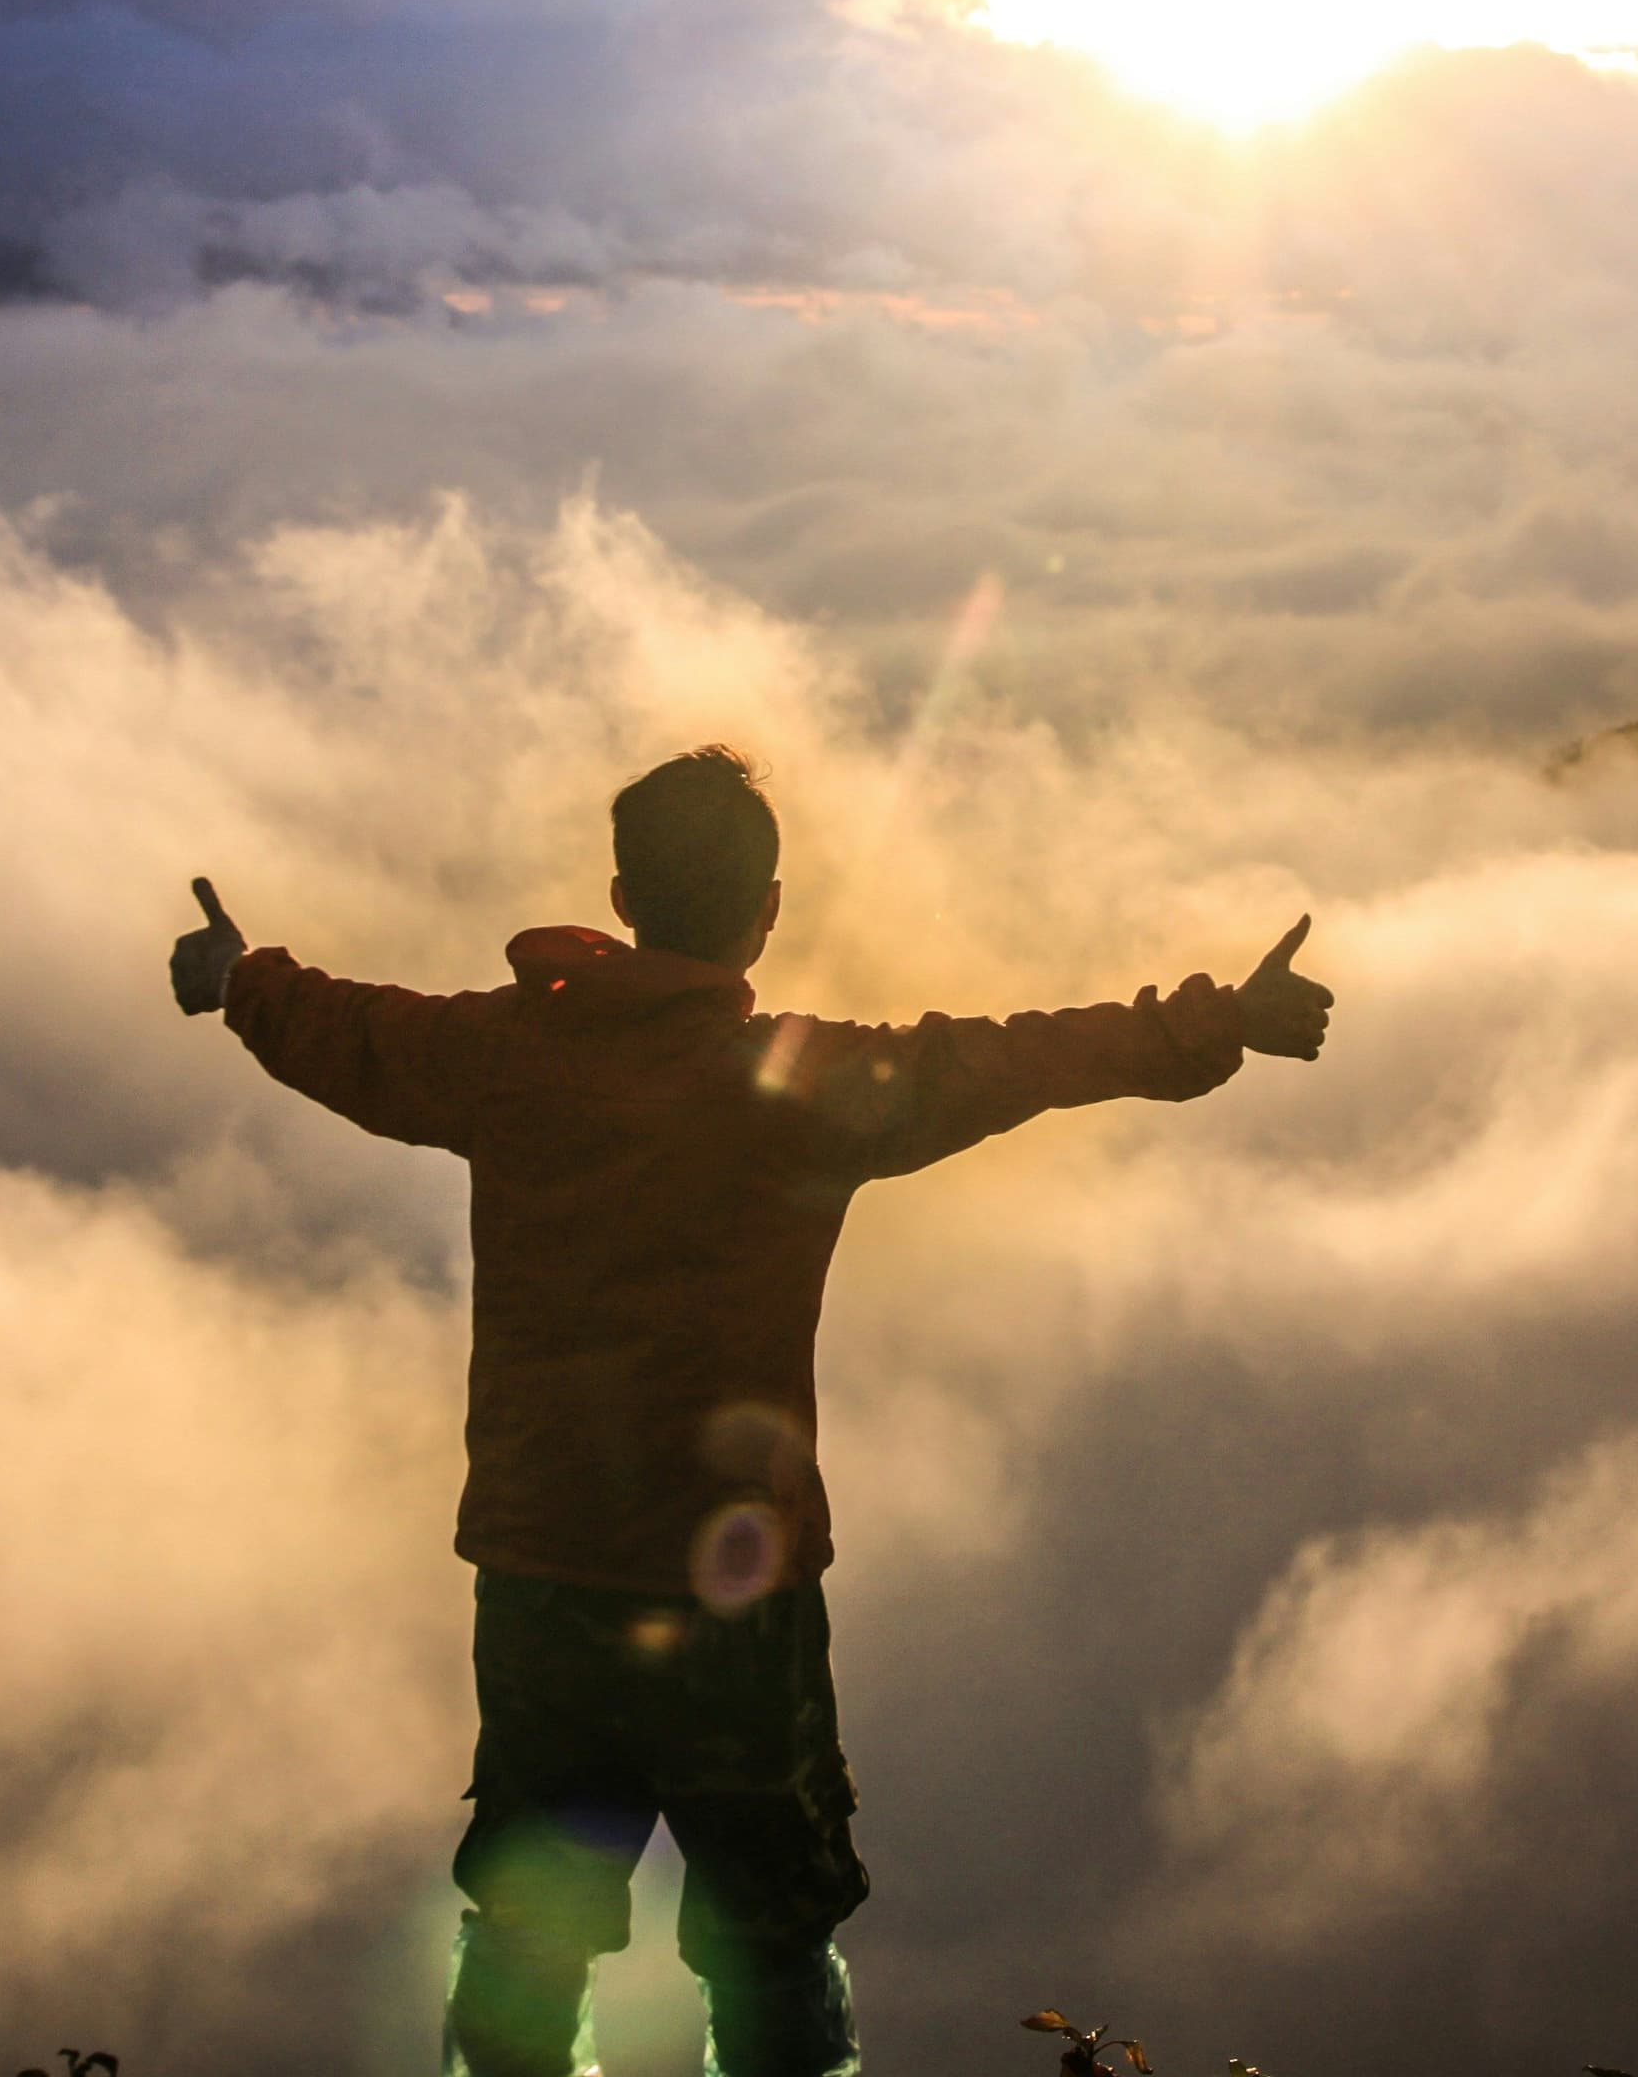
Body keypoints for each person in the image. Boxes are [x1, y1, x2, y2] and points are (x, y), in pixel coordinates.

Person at [168, 745, 1330, 2077]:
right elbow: (1013, 1059)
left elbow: (346, 1029)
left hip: (546, 1578)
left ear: (621, 892)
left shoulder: (500, 1057)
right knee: (770, 1938)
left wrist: (234, 979)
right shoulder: (799, 1087)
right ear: (764, 908)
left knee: (530, 1928)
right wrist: (1216, 1023)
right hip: (739, 1593)